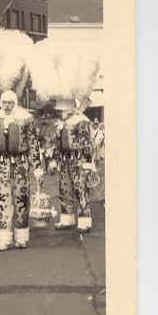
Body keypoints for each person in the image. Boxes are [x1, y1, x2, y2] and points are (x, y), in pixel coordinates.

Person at [0, 90, 44, 250]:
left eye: (10, 102)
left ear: (15, 102)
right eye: (4, 102)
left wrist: (37, 166)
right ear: (1, 103)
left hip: (20, 164)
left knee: (21, 199)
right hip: (1, 164)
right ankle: (3, 239)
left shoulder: (25, 118)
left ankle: (21, 237)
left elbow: (33, 144)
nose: (7, 106)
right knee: (2, 200)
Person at [50, 98, 96, 233]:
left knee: (80, 190)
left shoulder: (81, 120)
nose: (59, 113)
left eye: (61, 110)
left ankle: (85, 220)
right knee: (64, 189)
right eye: (59, 111)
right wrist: (54, 159)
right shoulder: (62, 123)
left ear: (70, 109)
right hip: (64, 160)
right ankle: (67, 218)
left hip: (79, 160)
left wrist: (87, 163)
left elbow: (87, 143)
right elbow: (57, 144)